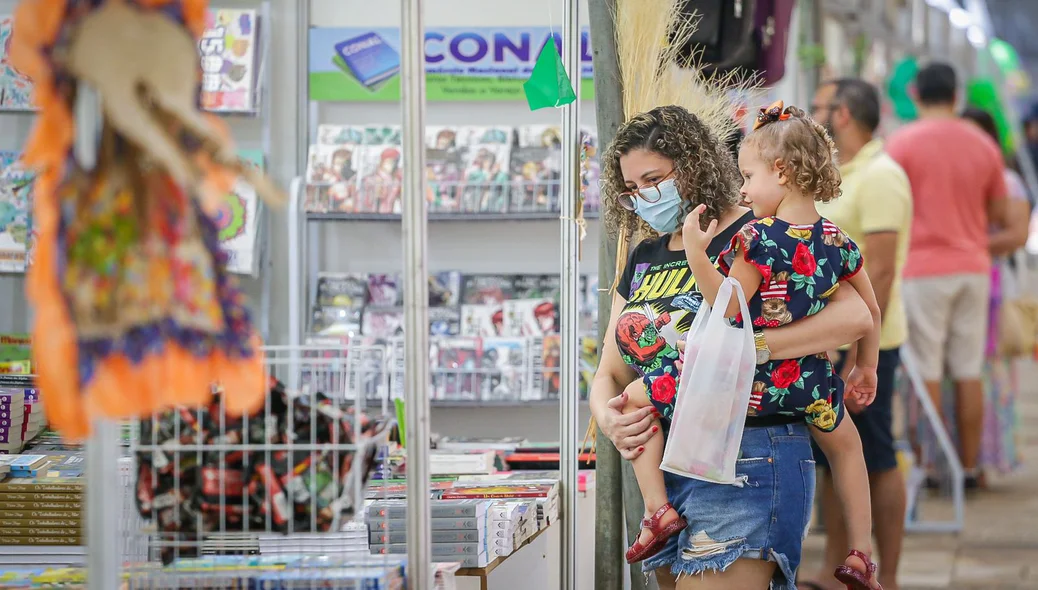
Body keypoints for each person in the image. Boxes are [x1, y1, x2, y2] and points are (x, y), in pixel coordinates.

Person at [589, 104, 876, 590]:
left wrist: (751, 347)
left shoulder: (759, 232)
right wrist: (609, 418)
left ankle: (862, 551)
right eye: (632, 188)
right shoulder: (644, 255)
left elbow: (855, 315)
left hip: (748, 456)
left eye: (654, 179)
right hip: (665, 468)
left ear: (694, 164)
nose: (643, 196)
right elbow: (609, 371)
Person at [803, 78, 912, 590]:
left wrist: (859, 355)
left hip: (868, 346)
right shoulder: (841, 174)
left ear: (842, 114)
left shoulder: (882, 176)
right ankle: (832, 570)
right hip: (829, 342)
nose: (815, 113)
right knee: (833, 456)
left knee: (876, 456)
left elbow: (882, 273)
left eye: (821, 106)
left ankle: (884, 574)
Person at [885, 63, 1012, 488]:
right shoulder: (983, 144)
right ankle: (971, 468)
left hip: (922, 271)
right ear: (957, 95)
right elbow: (998, 212)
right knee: (968, 369)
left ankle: (933, 467)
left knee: (927, 371)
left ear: (917, 93)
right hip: (974, 268)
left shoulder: (901, 144)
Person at [959, 107, 1030, 483]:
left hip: (989, 286)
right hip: (968, 277)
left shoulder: (1006, 180)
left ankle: (977, 462)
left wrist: (965, 243)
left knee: (982, 369)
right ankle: (955, 463)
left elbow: (1017, 234)